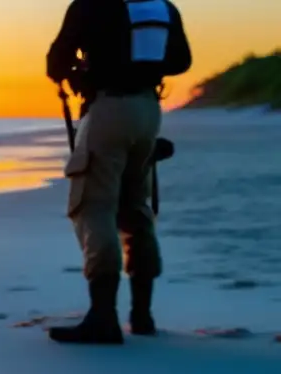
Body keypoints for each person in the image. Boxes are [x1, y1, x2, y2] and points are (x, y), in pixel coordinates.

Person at [45, 0, 192, 344]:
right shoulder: (162, 7)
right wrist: (138, 68)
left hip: (108, 108)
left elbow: (56, 62)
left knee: (94, 206)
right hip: (148, 110)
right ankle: (142, 316)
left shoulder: (89, 6)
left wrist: (89, 70)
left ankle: (103, 317)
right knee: (135, 207)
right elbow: (181, 61)